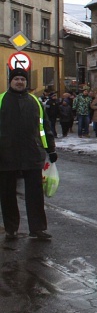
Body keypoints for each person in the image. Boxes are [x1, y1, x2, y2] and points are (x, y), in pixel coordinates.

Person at [0, 68, 58, 240]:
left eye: (23, 79)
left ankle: (38, 228)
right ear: (10, 81)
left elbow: (44, 128)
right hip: (5, 155)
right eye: (16, 79)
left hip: (32, 153)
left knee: (35, 194)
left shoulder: (35, 101)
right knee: (7, 194)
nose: (20, 82)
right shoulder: (2, 100)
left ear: (26, 82)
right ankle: (11, 228)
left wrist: (51, 149)